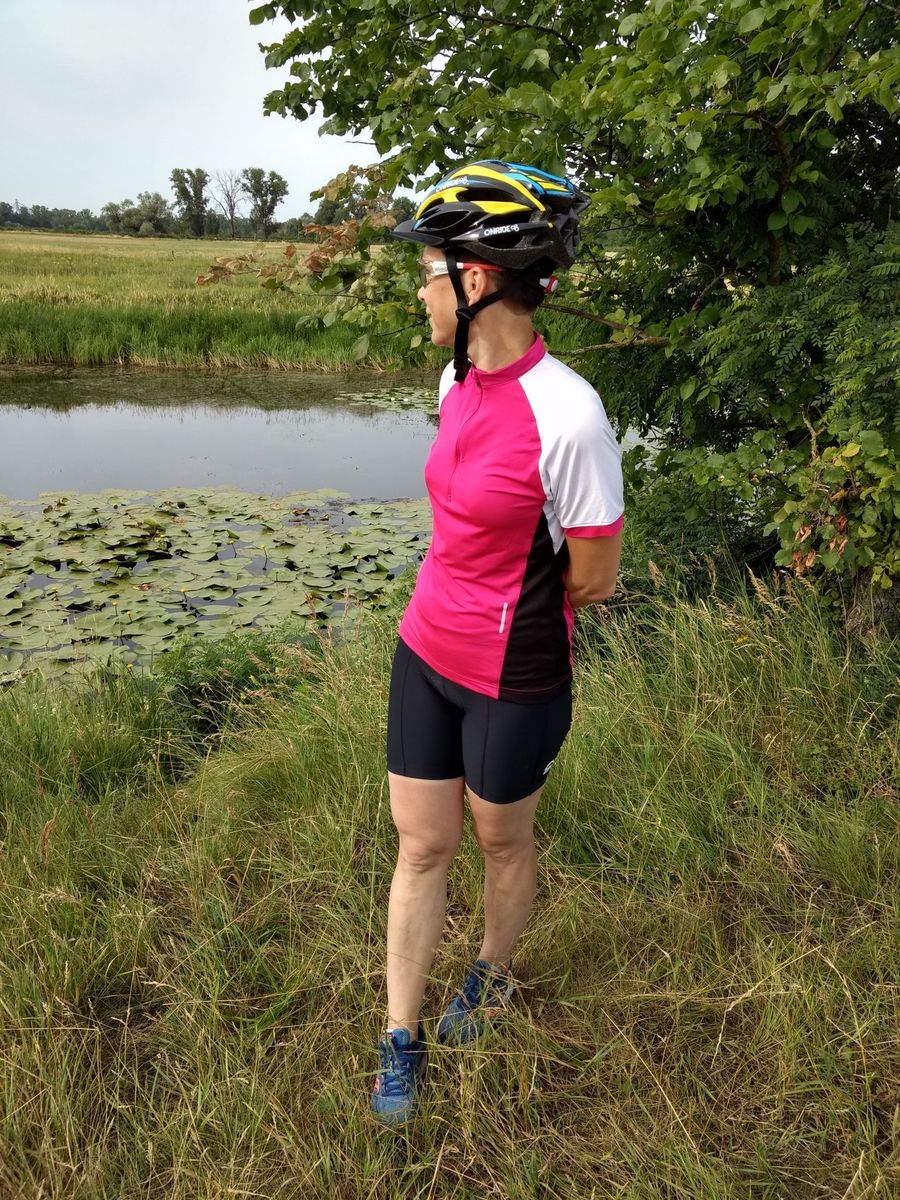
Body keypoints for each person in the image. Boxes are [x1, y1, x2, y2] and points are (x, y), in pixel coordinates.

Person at [371, 160, 624, 1126]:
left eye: (428, 273)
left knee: (499, 836)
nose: (422, 293)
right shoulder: (454, 379)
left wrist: (502, 608)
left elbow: (592, 579)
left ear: (475, 279)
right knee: (422, 845)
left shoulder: (571, 417)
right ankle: (400, 1036)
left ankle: (492, 970)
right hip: (425, 649)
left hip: (515, 672)